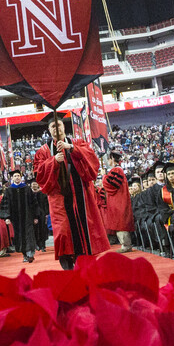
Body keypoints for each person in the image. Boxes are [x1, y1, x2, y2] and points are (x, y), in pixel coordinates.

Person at [34, 110, 110, 269]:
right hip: (59, 198)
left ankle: (85, 262)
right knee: (63, 231)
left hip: (79, 195)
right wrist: (53, 161)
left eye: (58, 125)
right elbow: (39, 174)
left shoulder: (77, 142)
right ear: (49, 130)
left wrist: (72, 148)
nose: (56, 129)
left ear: (63, 126)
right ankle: (67, 263)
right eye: (53, 127)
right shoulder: (43, 151)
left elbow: (92, 161)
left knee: (84, 227)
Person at [0, 169, 38, 262]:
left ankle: (30, 254)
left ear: (21, 177)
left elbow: (33, 203)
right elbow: (6, 204)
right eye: (15, 176)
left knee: (29, 234)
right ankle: (25, 255)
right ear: (12, 178)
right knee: (19, 236)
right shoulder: (9, 191)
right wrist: (7, 217)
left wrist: (35, 216)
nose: (17, 177)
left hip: (27, 216)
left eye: (18, 176)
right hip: (15, 218)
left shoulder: (27, 189)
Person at [101, 151, 135, 252]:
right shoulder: (117, 170)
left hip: (119, 201)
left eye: (109, 159)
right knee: (119, 222)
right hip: (117, 200)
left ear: (112, 159)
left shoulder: (117, 170)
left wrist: (104, 176)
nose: (108, 161)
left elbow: (111, 185)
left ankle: (126, 245)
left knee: (121, 222)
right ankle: (125, 244)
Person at [29, 179, 49, 251]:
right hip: (33, 215)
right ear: (31, 185)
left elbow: (46, 204)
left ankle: (43, 246)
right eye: (33, 184)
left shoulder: (42, 193)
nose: (34, 185)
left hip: (42, 214)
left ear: (38, 185)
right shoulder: (29, 194)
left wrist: (46, 213)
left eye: (35, 184)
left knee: (42, 229)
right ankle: (37, 245)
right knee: (34, 230)